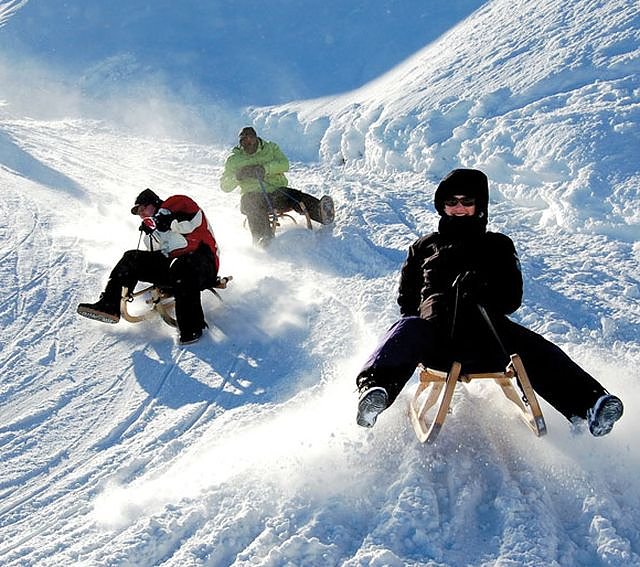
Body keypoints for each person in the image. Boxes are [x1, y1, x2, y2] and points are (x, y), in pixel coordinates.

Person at [355, 168, 624, 437]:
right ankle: (374, 391)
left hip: (487, 337)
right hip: (436, 341)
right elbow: (407, 300)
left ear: (479, 205)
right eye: (451, 201)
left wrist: (484, 287)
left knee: (530, 344)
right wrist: (424, 319)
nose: (459, 208)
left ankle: (591, 404)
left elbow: (512, 299)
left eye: (467, 201)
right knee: (407, 327)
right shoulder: (424, 246)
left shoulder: (498, 245)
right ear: (442, 205)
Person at [77, 188, 220, 345]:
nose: (142, 214)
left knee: (182, 266)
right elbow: (156, 255)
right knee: (131, 258)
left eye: (143, 209)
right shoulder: (157, 230)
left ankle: (192, 327)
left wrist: (164, 217)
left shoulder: (182, 208)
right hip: (175, 269)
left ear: (154, 203)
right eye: (139, 213)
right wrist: (152, 232)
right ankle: (109, 305)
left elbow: (185, 211)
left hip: (203, 263)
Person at [219, 126, 335, 246]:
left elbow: (284, 164)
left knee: (294, 196)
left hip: (276, 191)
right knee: (250, 203)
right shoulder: (234, 160)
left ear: (256, 139)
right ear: (240, 143)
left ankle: (320, 212)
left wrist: (265, 169)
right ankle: (262, 238)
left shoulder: (270, 148)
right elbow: (224, 186)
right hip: (253, 195)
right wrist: (238, 176)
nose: (248, 144)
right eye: (244, 142)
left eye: (251, 140)